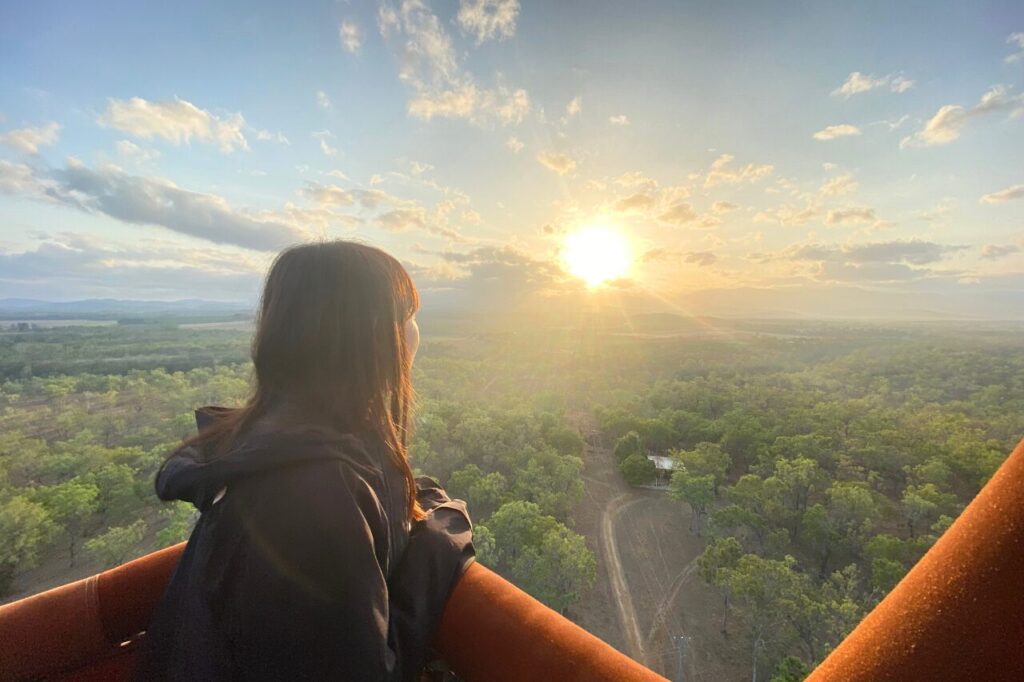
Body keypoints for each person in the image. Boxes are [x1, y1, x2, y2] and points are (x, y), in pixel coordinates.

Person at [133, 241, 475, 681]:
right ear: (367, 336)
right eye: (407, 316)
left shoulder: (265, 446)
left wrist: (416, 497)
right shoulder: (310, 497)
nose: (414, 332)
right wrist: (442, 537)